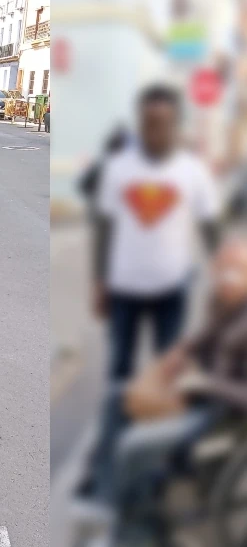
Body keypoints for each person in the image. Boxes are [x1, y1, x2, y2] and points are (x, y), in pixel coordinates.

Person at [78, 238, 247, 536]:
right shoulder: (225, 303)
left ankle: (132, 530)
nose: (227, 277)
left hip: (224, 416)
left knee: (134, 446)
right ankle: (104, 499)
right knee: (117, 398)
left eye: (237, 270)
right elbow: (201, 340)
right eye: (224, 269)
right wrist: (178, 356)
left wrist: (205, 383)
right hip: (196, 396)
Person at [93, 85, 221, 383]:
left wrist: (223, 276)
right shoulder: (119, 168)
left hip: (172, 286)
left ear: (176, 125)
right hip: (124, 285)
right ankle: (118, 425)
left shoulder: (192, 170)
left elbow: (210, 225)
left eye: (163, 122)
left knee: (168, 369)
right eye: (149, 122)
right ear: (141, 122)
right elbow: (105, 227)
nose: (156, 129)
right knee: (120, 369)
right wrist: (100, 281)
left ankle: (160, 425)